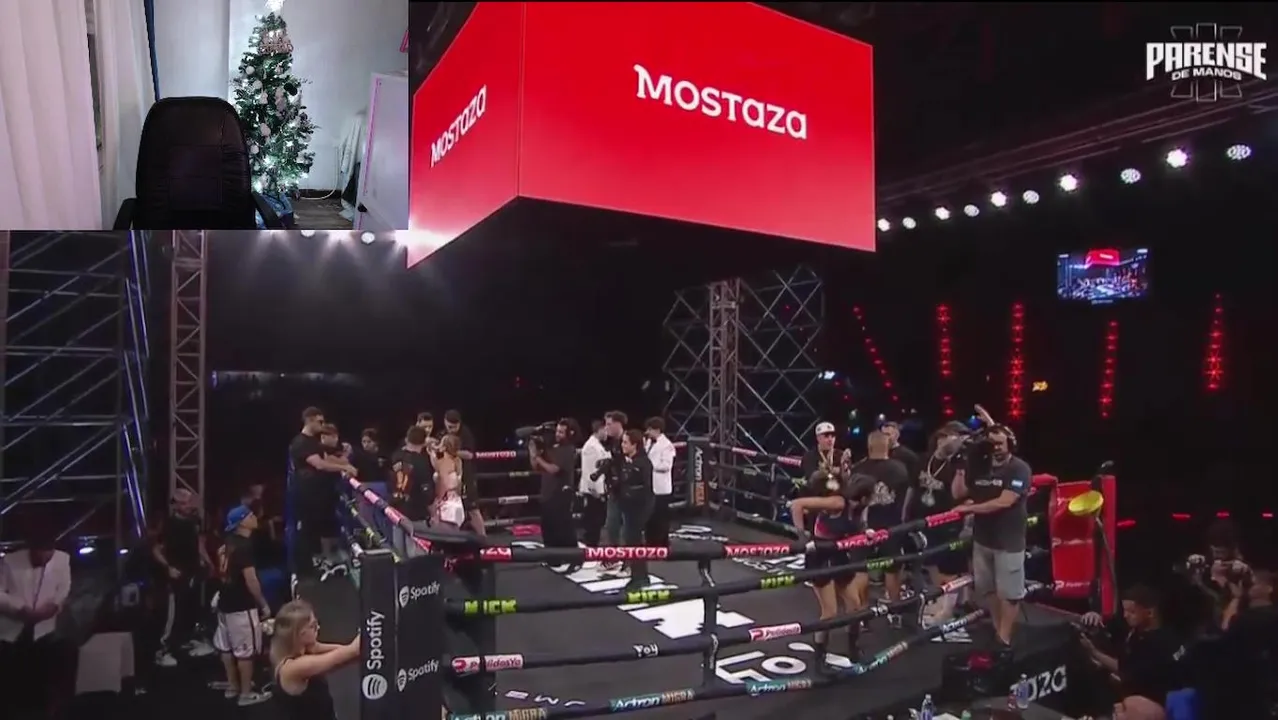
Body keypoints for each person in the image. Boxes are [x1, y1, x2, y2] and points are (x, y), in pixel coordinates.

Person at [954, 423, 1031, 650]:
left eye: (1000, 443)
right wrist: (961, 466)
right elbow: (959, 493)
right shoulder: (980, 466)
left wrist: (970, 509)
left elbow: (1005, 501)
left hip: (1008, 540)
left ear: (1010, 444)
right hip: (982, 539)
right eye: (992, 444)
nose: (996, 448)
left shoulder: (1019, 468)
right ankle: (999, 632)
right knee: (988, 590)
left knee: (1009, 594)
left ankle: (1004, 640)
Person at [789, 471, 875, 665]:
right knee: (830, 612)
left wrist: (866, 532)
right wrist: (802, 536)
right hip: (819, 554)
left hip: (838, 553)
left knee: (855, 606)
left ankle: (853, 648)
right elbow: (797, 505)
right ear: (864, 496)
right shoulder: (838, 503)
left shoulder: (860, 508)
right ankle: (819, 655)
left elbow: (858, 525)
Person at [1078, 585, 1187, 717]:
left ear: (1149, 613)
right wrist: (1095, 617)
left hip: (1151, 708)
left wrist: (1093, 652)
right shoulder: (1136, 628)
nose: (1125, 615)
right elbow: (1107, 627)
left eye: (1132, 612)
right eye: (1124, 610)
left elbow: (1124, 671)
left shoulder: (1157, 645)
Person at [0, 526, 74, 719]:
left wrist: (55, 606)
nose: (44, 560)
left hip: (44, 630)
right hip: (12, 631)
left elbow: (64, 587)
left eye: (48, 556)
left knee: (43, 675)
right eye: (39, 556)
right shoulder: (10, 561)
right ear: (31, 550)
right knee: (11, 680)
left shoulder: (63, 559)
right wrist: (19, 609)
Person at [289, 408, 357, 580]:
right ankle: (307, 571)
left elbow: (326, 458)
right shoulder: (301, 442)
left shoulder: (312, 441)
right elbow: (319, 464)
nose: (322, 425)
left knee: (321, 527)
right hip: (307, 495)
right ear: (309, 420)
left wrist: (345, 462)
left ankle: (322, 561)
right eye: (319, 421)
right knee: (308, 530)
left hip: (318, 494)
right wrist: (343, 467)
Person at [214, 506, 273, 706]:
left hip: (225, 603)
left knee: (227, 647)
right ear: (242, 522)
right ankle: (246, 694)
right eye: (250, 515)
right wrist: (263, 604)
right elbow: (251, 581)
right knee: (245, 652)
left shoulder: (227, 543)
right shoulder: (244, 546)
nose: (254, 517)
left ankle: (233, 686)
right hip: (241, 606)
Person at [851, 430, 911, 626]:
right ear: (888, 447)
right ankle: (895, 611)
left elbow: (851, 500)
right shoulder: (899, 468)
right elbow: (906, 498)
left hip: (864, 526)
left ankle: (862, 613)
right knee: (892, 570)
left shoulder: (858, 469)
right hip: (891, 525)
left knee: (861, 569)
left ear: (869, 447)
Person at [154, 488, 216, 666]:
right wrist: (169, 567)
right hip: (176, 573)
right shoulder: (168, 524)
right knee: (172, 613)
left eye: (190, 502)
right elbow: (156, 549)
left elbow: (199, 545)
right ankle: (162, 650)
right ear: (176, 505)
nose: (189, 506)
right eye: (185, 503)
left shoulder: (195, 521)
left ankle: (185, 641)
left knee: (190, 609)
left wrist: (209, 563)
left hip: (192, 572)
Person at [916, 422, 971, 623]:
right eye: (944, 437)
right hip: (926, 519)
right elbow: (914, 488)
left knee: (950, 567)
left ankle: (947, 611)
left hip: (950, 520)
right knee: (931, 562)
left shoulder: (962, 464)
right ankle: (941, 601)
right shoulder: (925, 460)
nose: (947, 442)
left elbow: (961, 494)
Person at [271, 599, 360, 720]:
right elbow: (351, 651)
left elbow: (348, 653)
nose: (317, 628)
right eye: (312, 626)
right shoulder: (294, 668)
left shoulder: (307, 650)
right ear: (301, 634)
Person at [531, 419, 581, 566]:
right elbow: (537, 467)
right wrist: (533, 453)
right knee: (548, 526)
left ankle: (573, 557)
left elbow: (554, 469)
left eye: (561, 432)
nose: (557, 434)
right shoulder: (552, 447)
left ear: (570, 433)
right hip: (547, 491)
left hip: (560, 493)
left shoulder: (568, 449)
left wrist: (538, 457)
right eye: (557, 431)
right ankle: (553, 558)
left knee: (563, 526)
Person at [615, 428, 656, 592]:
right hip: (630, 506)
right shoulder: (628, 461)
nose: (623, 445)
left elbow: (643, 487)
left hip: (640, 506)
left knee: (634, 541)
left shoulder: (643, 463)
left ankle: (639, 578)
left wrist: (627, 489)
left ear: (635, 445)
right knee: (632, 540)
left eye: (626, 442)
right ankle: (639, 576)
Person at [442, 409, 485, 535]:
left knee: (473, 508)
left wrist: (452, 451)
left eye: (454, 427)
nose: (452, 430)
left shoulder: (465, 433)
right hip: (448, 476)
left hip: (465, 475)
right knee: (448, 508)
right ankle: (450, 538)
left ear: (459, 424)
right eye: (449, 427)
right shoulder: (442, 434)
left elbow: (470, 455)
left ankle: (483, 538)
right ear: (445, 422)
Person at [598, 410, 629, 576]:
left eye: (609, 424)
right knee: (611, 526)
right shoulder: (614, 443)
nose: (606, 427)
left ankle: (630, 564)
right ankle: (613, 558)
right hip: (615, 491)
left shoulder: (630, 441)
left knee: (629, 529)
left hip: (629, 492)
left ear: (618, 424)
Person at [643, 417, 676, 548]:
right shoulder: (648, 442)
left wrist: (650, 466)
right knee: (650, 516)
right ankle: (650, 542)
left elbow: (667, 465)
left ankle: (662, 544)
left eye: (650, 429)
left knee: (660, 517)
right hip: (650, 486)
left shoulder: (667, 445)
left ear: (657, 430)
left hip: (661, 488)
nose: (647, 432)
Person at [391, 426, 433, 521]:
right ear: (424, 442)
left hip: (394, 509)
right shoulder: (421, 463)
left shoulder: (395, 456)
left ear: (407, 439)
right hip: (414, 513)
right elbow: (426, 490)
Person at [578, 420, 610, 547]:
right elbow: (590, 471)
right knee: (593, 520)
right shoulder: (592, 447)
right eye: (605, 430)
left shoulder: (596, 445)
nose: (607, 433)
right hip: (593, 491)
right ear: (600, 430)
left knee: (596, 520)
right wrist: (595, 491)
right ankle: (590, 546)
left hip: (596, 490)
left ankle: (592, 544)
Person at [429, 433, 467, 529]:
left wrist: (436, 503)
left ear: (445, 447)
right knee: (453, 533)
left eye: (441, 443)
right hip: (456, 502)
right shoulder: (457, 461)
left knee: (446, 533)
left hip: (447, 503)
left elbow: (443, 484)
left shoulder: (445, 463)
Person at [880, 421, 922, 493]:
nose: (885, 438)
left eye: (888, 434)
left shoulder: (909, 456)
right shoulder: (878, 453)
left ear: (897, 435)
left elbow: (912, 484)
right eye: (883, 435)